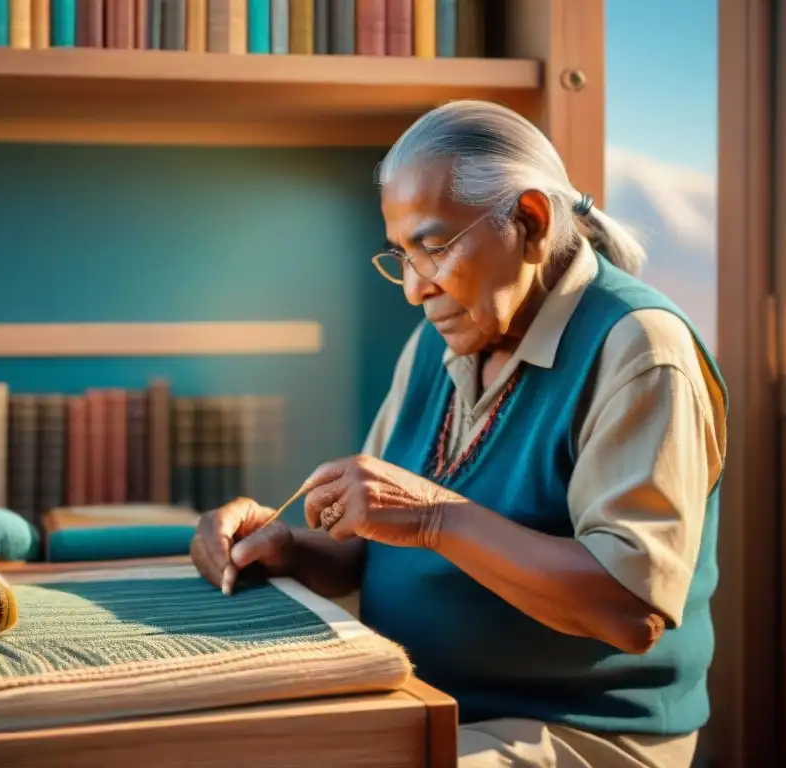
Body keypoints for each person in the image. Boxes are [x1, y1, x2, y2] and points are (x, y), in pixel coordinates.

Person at [190, 100, 727, 768]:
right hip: (422, 701)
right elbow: (378, 551)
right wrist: (289, 551)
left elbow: (630, 608)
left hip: (575, 730)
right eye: (401, 256)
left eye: (435, 247)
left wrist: (434, 517)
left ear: (530, 223)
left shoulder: (639, 348)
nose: (415, 290)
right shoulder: (435, 344)